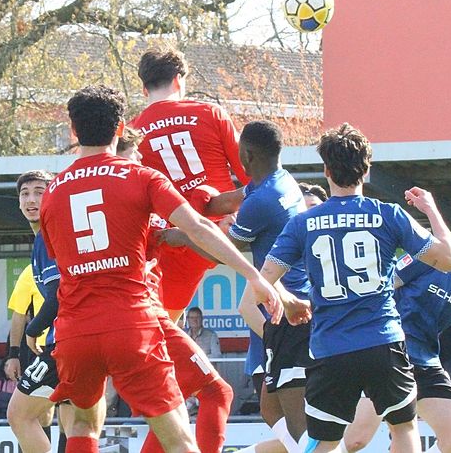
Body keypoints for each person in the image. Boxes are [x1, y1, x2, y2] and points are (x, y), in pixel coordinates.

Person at [39, 85, 280, 452]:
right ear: (121, 128)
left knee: (83, 424)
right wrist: (253, 276)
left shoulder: (53, 191)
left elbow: (60, 255)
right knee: (179, 439)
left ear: (73, 130)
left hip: (75, 330)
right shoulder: (141, 177)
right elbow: (197, 227)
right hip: (130, 324)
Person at [260, 123, 451, 453]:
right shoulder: (388, 215)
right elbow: (449, 260)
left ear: (326, 170)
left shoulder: (303, 223)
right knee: (403, 427)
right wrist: (430, 209)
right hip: (382, 341)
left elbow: (262, 281)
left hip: (329, 348)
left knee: (325, 441)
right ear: (366, 170)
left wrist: (288, 300)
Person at [343, 194, 451, 453]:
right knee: (355, 440)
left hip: (425, 358)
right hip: (389, 349)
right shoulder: (434, 252)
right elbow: (382, 287)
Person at [118, 129, 235, 453]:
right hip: (142, 317)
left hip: (97, 324)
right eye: (134, 153)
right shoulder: (141, 194)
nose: (140, 158)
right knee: (216, 393)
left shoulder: (82, 197)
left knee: (169, 410)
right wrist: (253, 274)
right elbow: (200, 231)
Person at [128, 47, 249, 321]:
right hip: (223, 229)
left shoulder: (133, 133)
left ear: (144, 89)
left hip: (173, 239)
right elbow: (249, 174)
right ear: (178, 80)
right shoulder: (211, 113)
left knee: (163, 326)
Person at [215, 120, 313, 453]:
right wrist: (197, 205)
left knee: (299, 425)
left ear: (246, 154)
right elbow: (229, 200)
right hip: (275, 300)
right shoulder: (280, 182)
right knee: (271, 409)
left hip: (283, 312)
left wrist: (183, 235)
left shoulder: (262, 200)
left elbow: (221, 250)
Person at [6, 169, 69, 453]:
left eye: (39, 193)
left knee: (19, 415)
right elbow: (19, 312)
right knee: (76, 423)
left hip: (62, 343)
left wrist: (33, 330)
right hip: (84, 341)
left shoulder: (49, 234)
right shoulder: (51, 235)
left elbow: (58, 294)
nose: (31, 200)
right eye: (25, 194)